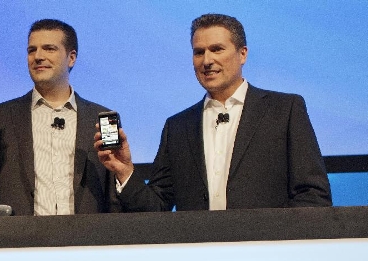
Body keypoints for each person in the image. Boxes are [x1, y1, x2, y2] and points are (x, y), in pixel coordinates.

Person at [95, 14, 332, 211]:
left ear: (243, 54)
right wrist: (125, 170)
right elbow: (157, 207)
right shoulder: (177, 127)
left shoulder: (284, 110)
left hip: (267, 257)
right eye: (199, 52)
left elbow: (312, 194)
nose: (207, 60)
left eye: (217, 49)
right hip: (200, 259)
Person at [0, 19, 120, 215]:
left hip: (84, 241)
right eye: (31, 50)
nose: (38, 56)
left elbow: (115, 200)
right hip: (21, 242)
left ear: (71, 58)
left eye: (49, 49)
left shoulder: (100, 118)